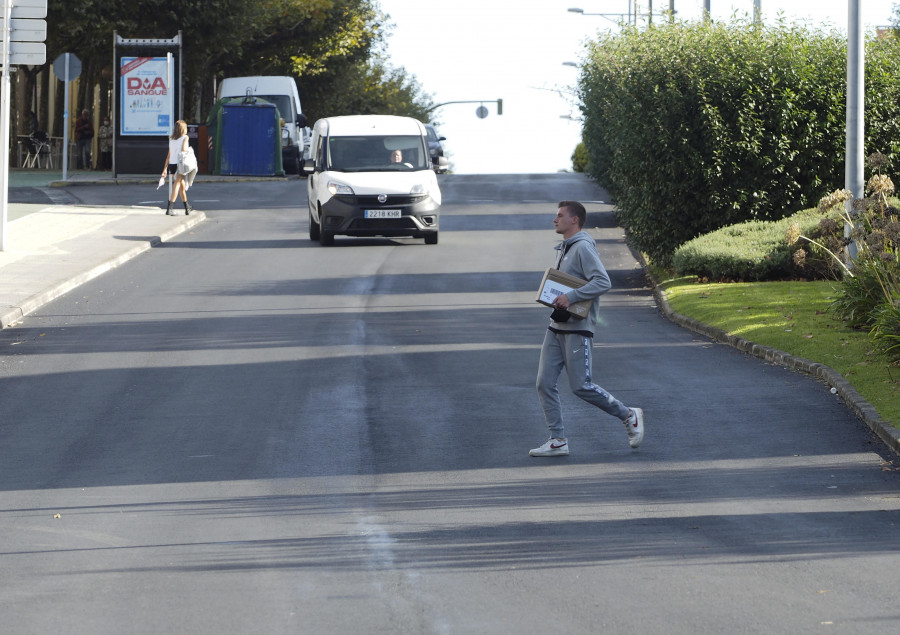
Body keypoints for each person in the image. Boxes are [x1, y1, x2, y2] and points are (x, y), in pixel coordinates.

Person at [530, 200, 644, 457]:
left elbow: (602, 281)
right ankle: (558, 439)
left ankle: (628, 415)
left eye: (559, 215)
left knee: (581, 386)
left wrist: (571, 297)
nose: (554, 219)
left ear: (575, 220)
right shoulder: (566, 248)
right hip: (556, 326)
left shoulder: (582, 247)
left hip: (578, 328)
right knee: (544, 383)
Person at [160, 120, 194, 216]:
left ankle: (187, 207)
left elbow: (168, 155)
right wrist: (189, 150)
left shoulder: (172, 139)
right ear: (183, 129)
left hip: (172, 164)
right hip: (180, 164)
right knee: (177, 184)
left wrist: (165, 168)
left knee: (181, 185)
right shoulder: (185, 138)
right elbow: (184, 150)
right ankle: (170, 208)